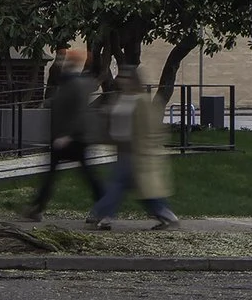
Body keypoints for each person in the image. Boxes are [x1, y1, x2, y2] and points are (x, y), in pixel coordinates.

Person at [89, 65, 179, 231]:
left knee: (118, 184)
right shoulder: (119, 98)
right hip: (122, 149)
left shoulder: (142, 101)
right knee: (138, 188)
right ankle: (165, 214)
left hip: (136, 151)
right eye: (120, 77)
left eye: (125, 77)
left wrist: (149, 147)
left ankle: (103, 214)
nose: (121, 80)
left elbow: (151, 127)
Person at [27, 46, 103, 220]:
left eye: (67, 60)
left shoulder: (75, 84)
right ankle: (37, 206)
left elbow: (77, 111)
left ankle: (103, 204)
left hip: (72, 138)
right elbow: (64, 105)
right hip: (66, 136)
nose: (63, 63)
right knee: (58, 173)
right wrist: (49, 103)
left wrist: (67, 134)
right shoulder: (70, 83)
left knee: (82, 174)